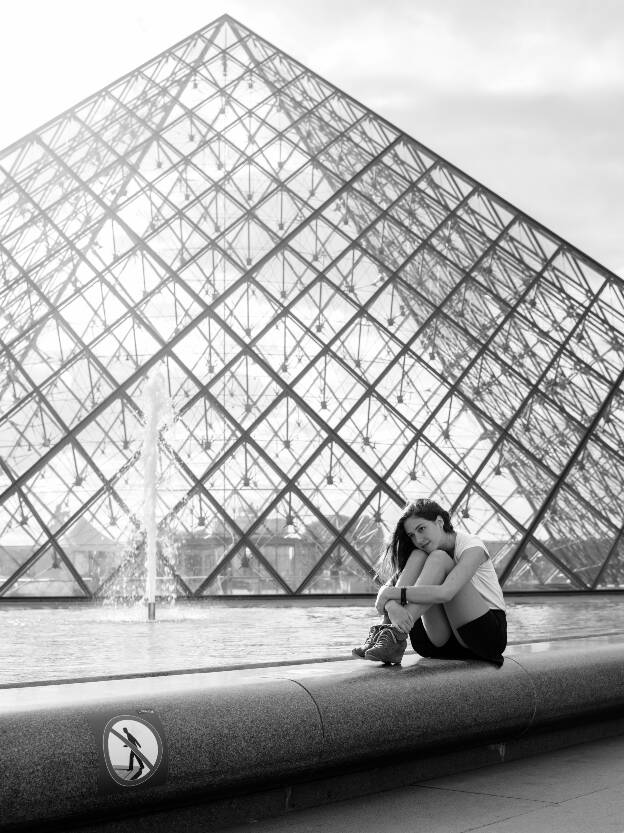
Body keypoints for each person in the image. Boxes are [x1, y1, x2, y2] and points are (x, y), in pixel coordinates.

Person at [353, 498, 507, 666]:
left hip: (485, 637)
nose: (418, 539)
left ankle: (395, 633)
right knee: (418, 555)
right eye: (412, 535)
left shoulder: (472, 546)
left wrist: (390, 595)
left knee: (439, 558)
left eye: (422, 529)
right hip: (439, 643)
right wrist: (391, 604)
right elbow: (388, 594)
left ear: (440, 522)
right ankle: (387, 633)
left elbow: (446, 593)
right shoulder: (421, 553)